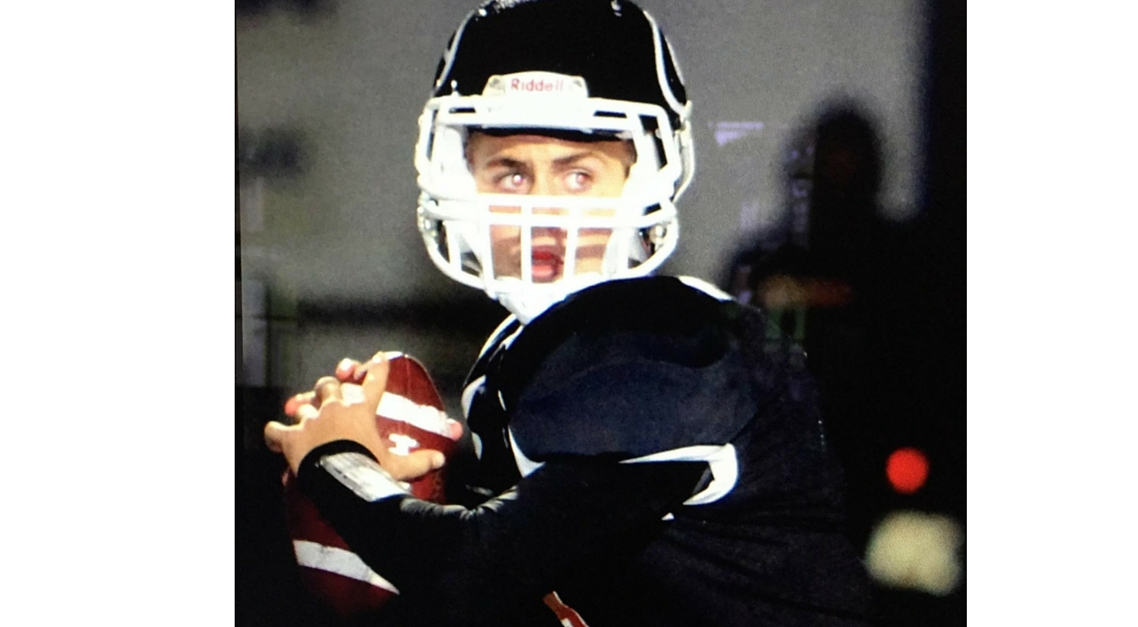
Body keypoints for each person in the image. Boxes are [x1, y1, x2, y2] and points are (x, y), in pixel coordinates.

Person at [264, 1, 874, 625]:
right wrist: (397, 494)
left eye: (578, 175)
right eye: (510, 175)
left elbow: (473, 572)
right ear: (460, 177)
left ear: (645, 179)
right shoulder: (522, 354)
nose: (544, 210)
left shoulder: (675, 345)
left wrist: (333, 464)